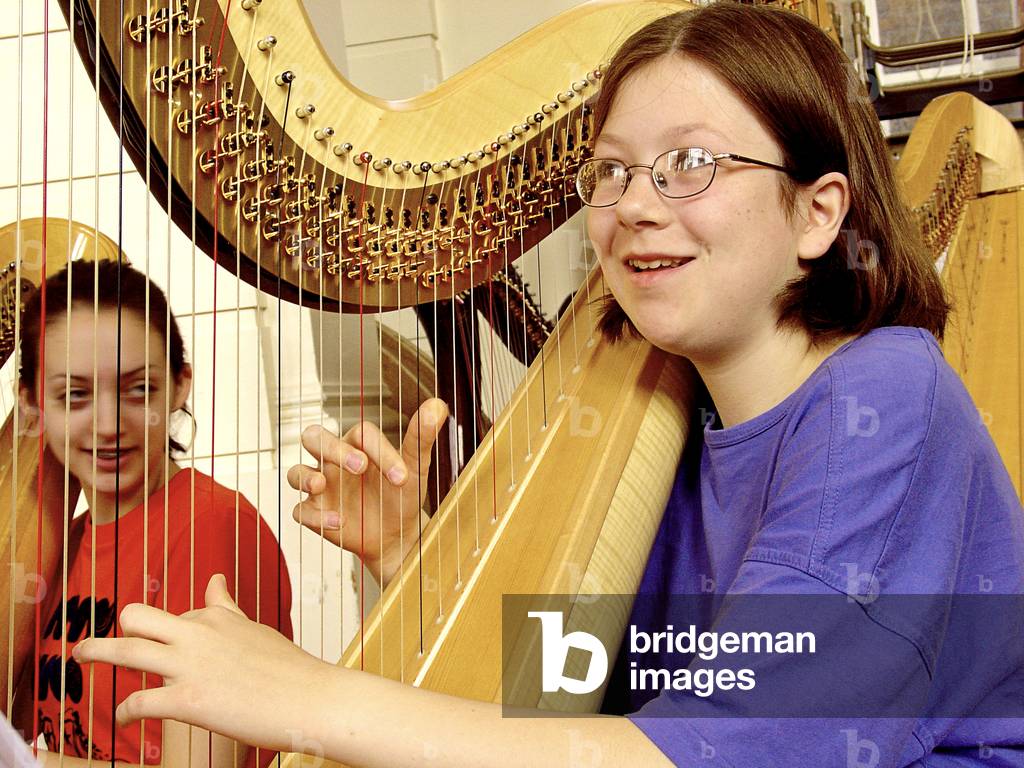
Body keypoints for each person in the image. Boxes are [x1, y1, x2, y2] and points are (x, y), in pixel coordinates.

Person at [73, 4, 1024, 766]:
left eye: (691, 163)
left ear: (819, 214)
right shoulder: (659, 415)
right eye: (611, 171)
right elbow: (558, 700)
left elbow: (718, 752)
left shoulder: (888, 397)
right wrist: (408, 555)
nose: (636, 206)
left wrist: (304, 696)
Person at [13, 258, 293, 767]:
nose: (107, 425)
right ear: (31, 402)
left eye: (137, 389)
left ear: (179, 385)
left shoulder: (212, 522)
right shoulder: (58, 543)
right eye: (73, 395)